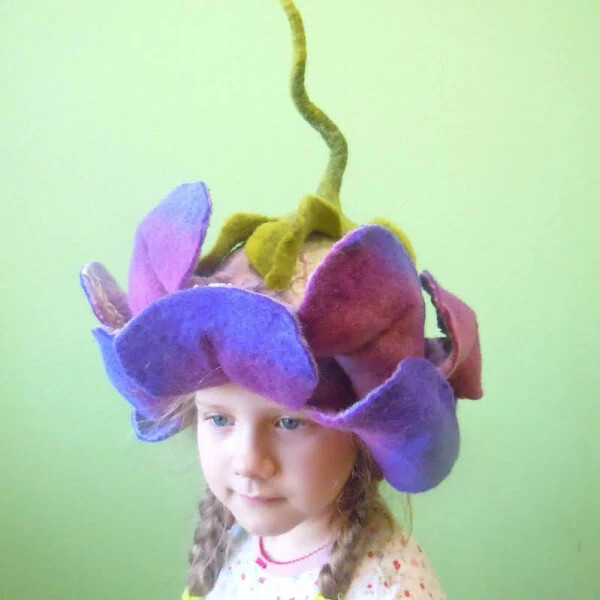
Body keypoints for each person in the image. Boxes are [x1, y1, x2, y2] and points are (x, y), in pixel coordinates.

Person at [79, 1, 482, 598]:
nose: (249, 461)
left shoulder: (386, 585)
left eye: (290, 421)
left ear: (362, 436)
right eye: (219, 419)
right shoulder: (242, 543)